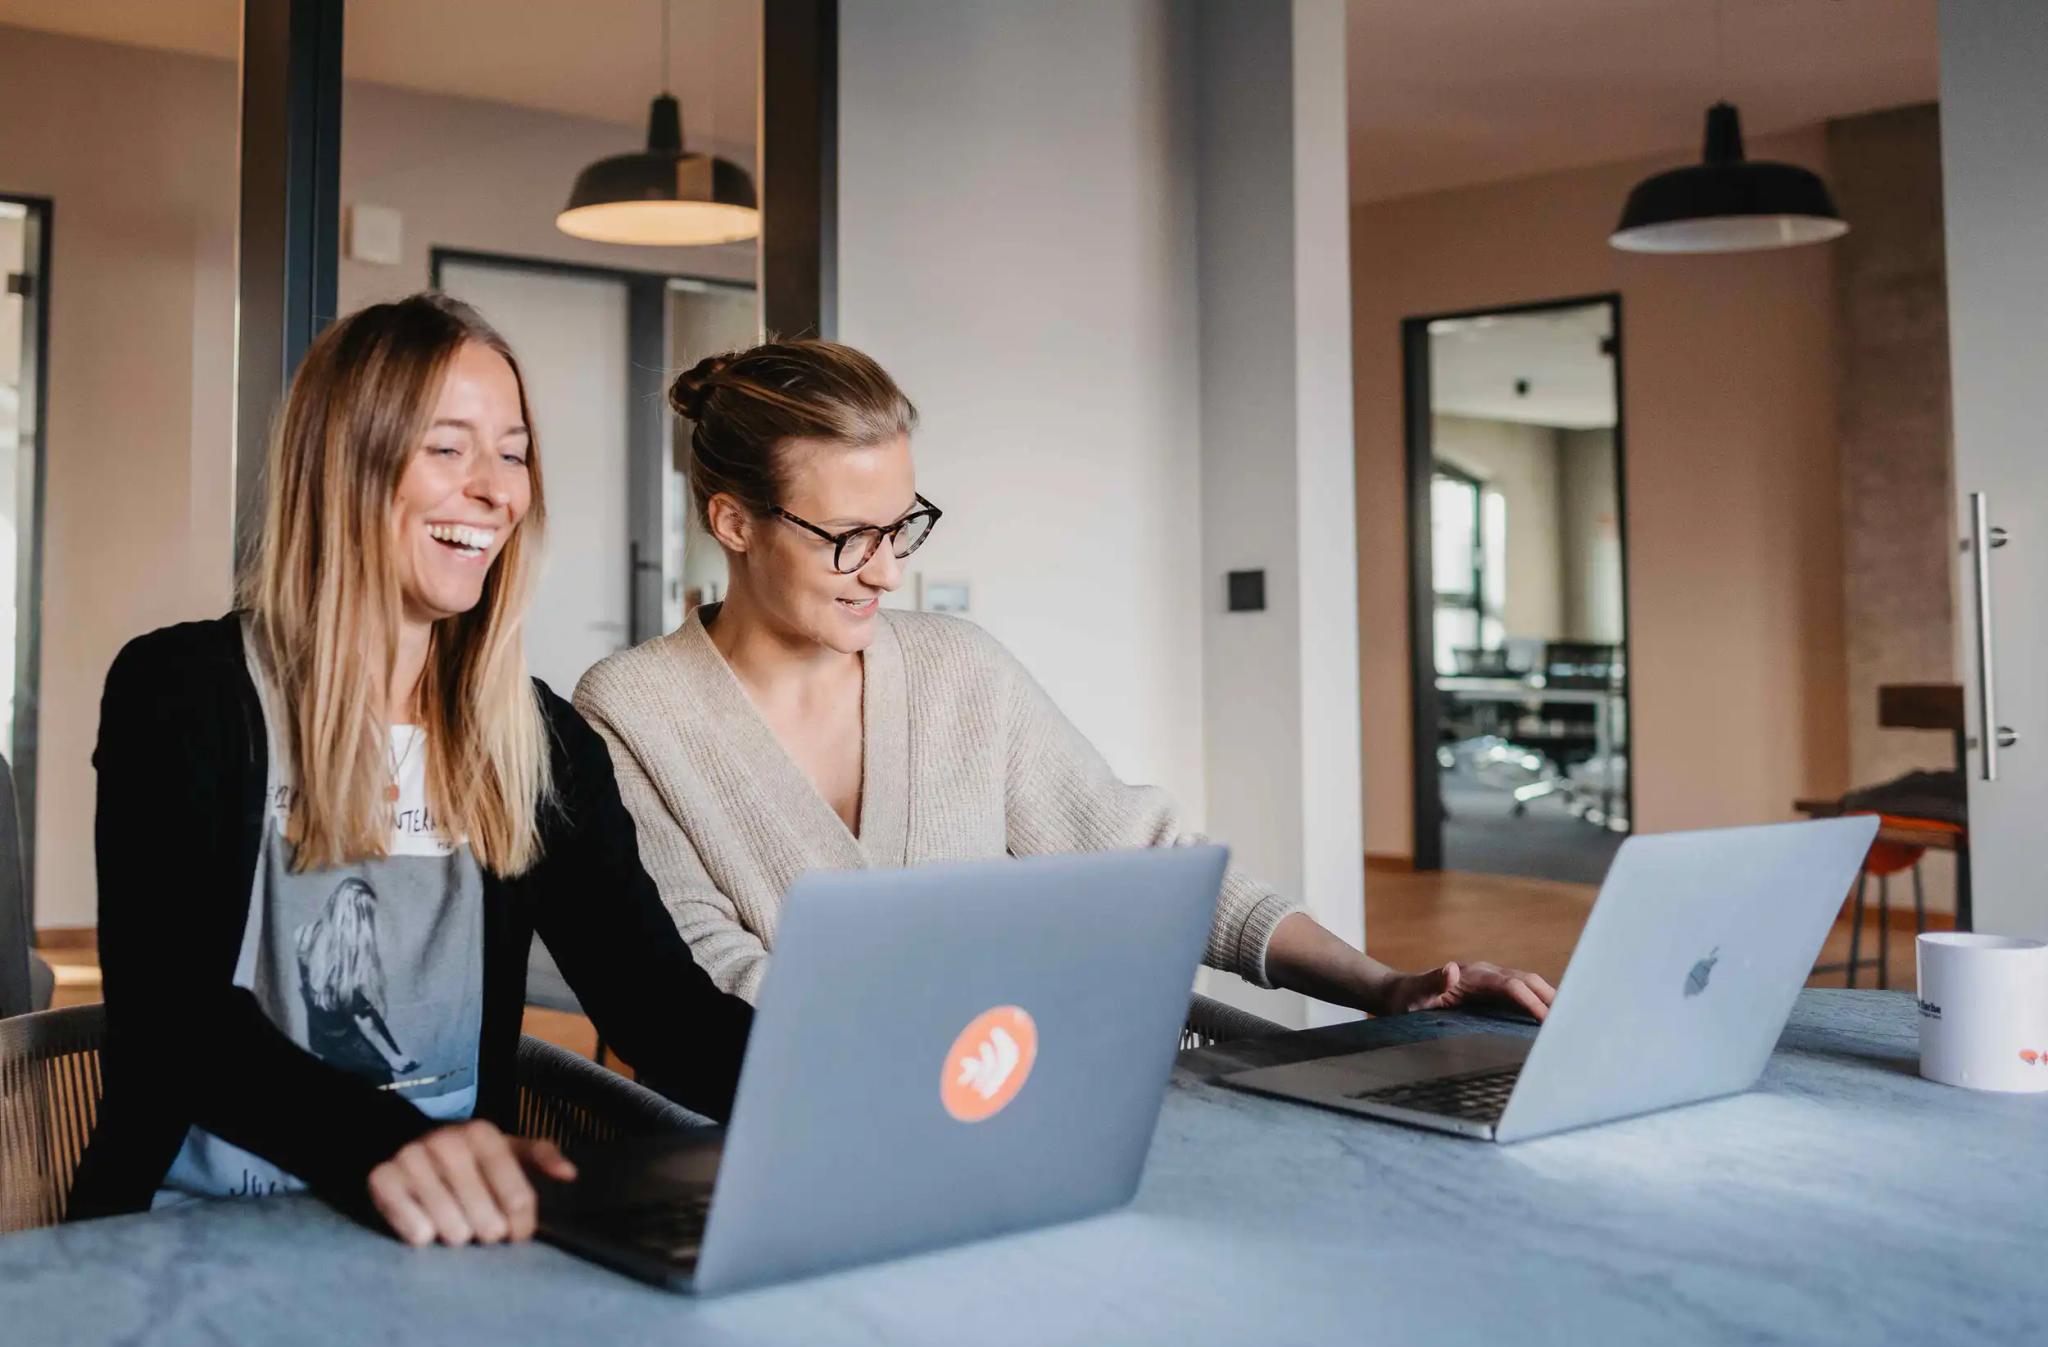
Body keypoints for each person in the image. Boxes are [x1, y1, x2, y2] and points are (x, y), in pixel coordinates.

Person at [574, 340, 1557, 1021]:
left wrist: (1383, 986)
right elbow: (704, 969)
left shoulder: (957, 666)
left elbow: (1145, 855)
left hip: (1009, 1076)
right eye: (849, 538)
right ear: (732, 523)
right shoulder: (631, 711)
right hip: (785, 1124)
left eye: (902, 525)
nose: (886, 569)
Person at [69, 293, 751, 1246]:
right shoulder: (184, 692)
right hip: (185, 1238)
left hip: (444, 1244)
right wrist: (386, 1144)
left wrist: (859, 1098)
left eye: (512, 453)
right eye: (449, 447)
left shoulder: (539, 740)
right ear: (347, 462)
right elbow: (172, 1022)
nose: (494, 489)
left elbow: (664, 1015)